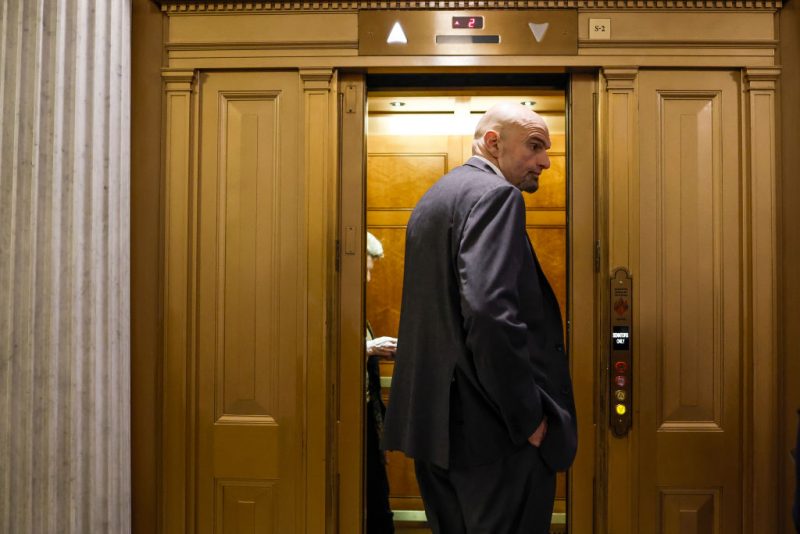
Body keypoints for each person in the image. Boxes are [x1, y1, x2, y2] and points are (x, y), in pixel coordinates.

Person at [382, 103, 577, 533]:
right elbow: (490, 315)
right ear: (493, 143)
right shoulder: (496, 196)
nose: (545, 160)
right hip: (495, 440)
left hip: (436, 435)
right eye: (534, 146)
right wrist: (530, 421)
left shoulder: (433, 199)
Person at [365, 232, 397, 534]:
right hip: (346, 418)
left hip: (366, 416)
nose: (369, 279)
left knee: (376, 493)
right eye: (367, 268)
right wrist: (368, 348)